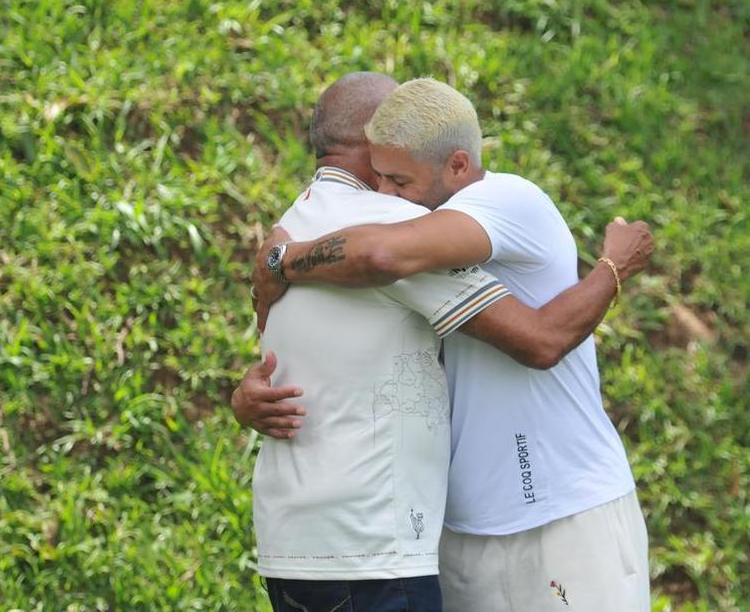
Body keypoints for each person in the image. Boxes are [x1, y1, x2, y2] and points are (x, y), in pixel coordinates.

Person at [237, 73, 653, 612]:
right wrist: (249, 395)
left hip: (561, 511)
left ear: (455, 165)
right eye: (381, 178)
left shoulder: (503, 198)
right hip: (456, 532)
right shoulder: (400, 230)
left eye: (399, 179)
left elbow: (540, 339)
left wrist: (283, 261)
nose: (386, 196)